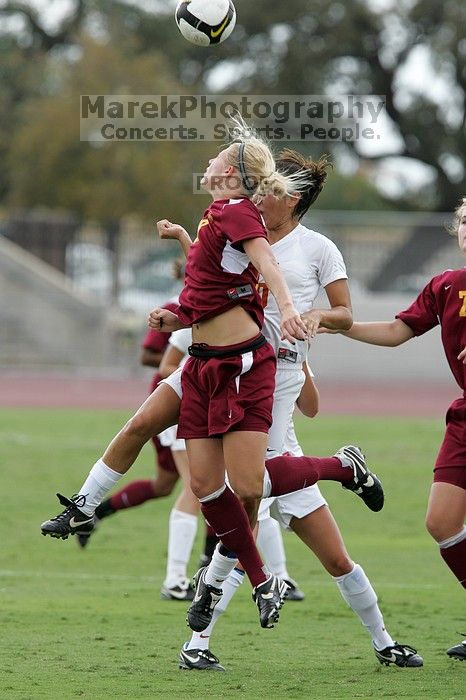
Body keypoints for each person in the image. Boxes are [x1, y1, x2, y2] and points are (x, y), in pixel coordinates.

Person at [40, 131, 383, 631]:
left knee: (248, 489)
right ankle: (85, 506)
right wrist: (178, 309)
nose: (207, 160)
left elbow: (267, 268)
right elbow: (217, 283)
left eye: (217, 157)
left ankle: (332, 477)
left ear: (234, 174)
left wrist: (292, 311)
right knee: (190, 472)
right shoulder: (216, 216)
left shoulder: (244, 213)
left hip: (242, 367)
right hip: (202, 362)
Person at [180, 366, 422, 671]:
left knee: (338, 560)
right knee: (238, 557)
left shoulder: (294, 334)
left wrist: (301, 356)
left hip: (293, 469)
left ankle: (384, 642)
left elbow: (311, 407)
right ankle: (196, 645)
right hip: (251, 470)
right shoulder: (251, 340)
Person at [321, 197, 466, 662]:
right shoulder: (446, 286)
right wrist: (335, 325)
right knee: (442, 522)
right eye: (465, 222)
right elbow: (397, 331)